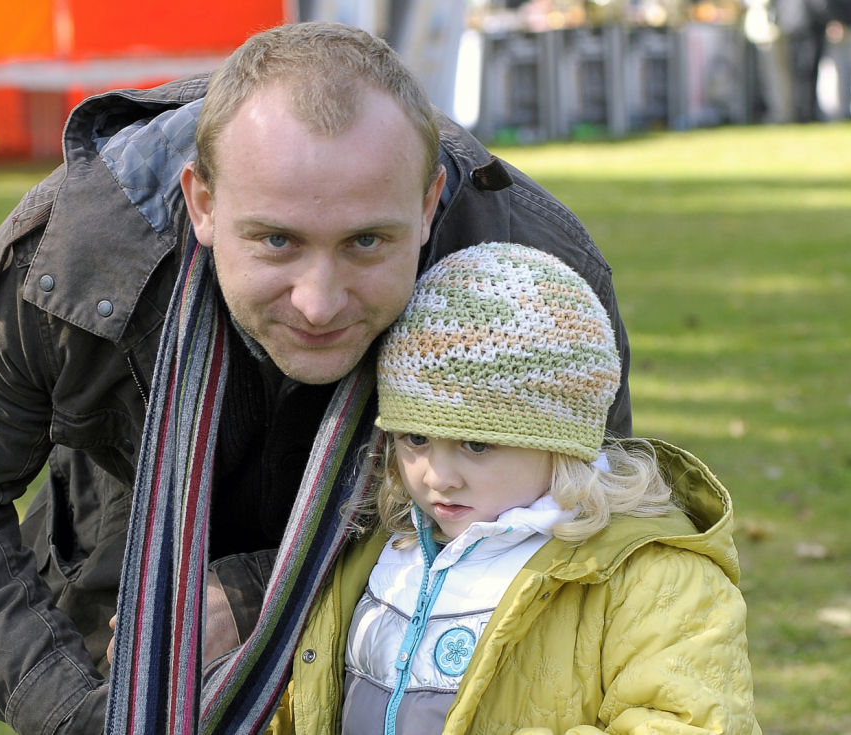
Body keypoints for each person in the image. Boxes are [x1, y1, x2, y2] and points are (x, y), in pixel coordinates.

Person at [0, 21, 633, 735]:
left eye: (367, 241)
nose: (319, 302)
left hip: (408, 661)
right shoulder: (66, 259)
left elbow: (578, 520)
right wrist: (69, 711)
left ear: (428, 203)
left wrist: (260, 592)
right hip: (119, 636)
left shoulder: (539, 282)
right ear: (201, 201)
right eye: (277, 241)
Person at [267, 243, 758, 734]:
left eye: (476, 445)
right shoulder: (380, 550)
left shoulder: (655, 578)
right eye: (415, 439)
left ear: (560, 445)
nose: (437, 477)